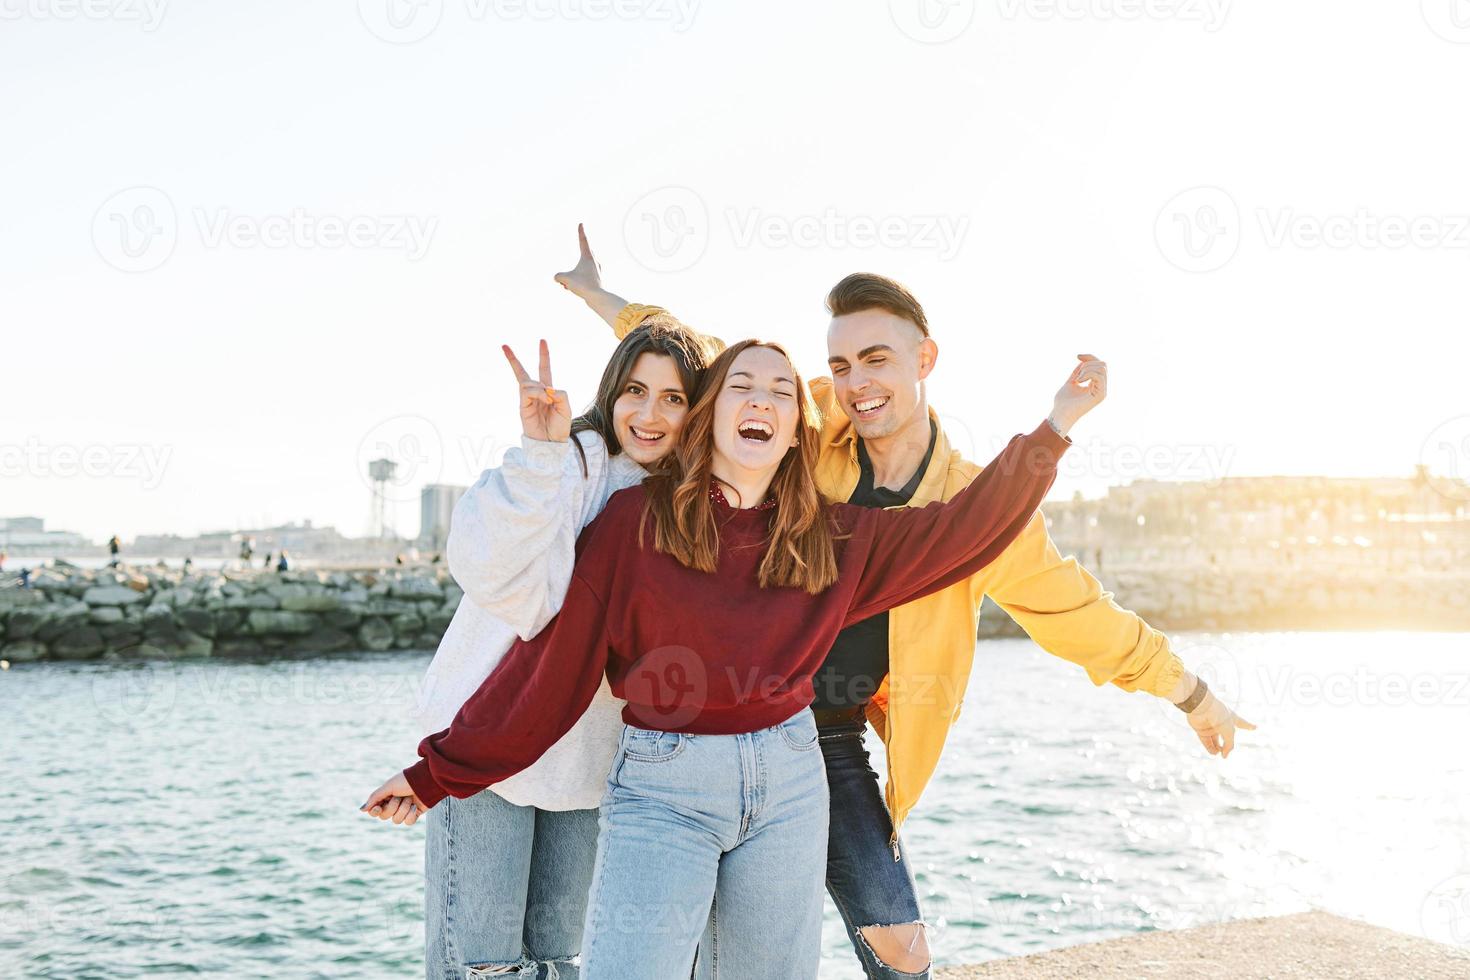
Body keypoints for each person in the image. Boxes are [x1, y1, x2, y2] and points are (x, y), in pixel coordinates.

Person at [559, 226, 1255, 978]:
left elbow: (1080, 614)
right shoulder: (808, 432)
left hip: (827, 740)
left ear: (925, 359)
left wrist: (1192, 693)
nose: (856, 383)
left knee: (901, 952)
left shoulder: (976, 506)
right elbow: (706, 359)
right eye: (840, 365)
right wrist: (603, 298)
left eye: (877, 360)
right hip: (714, 730)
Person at [364, 337, 1090, 979]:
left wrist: (1053, 431)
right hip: (662, 786)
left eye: (781, 391)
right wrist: (438, 772)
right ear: (711, 414)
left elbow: (969, 528)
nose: (762, 399)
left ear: (794, 434)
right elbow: (549, 673)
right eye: (741, 385)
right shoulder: (631, 525)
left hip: (790, 780)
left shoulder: (834, 539)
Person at [409, 320, 720, 979]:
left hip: (586, 767)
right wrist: (537, 454)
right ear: (612, 390)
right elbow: (488, 567)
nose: (649, 413)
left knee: (560, 959)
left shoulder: (696, 502)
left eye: (673, 397)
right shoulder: (574, 458)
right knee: (481, 963)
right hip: (486, 740)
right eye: (636, 389)